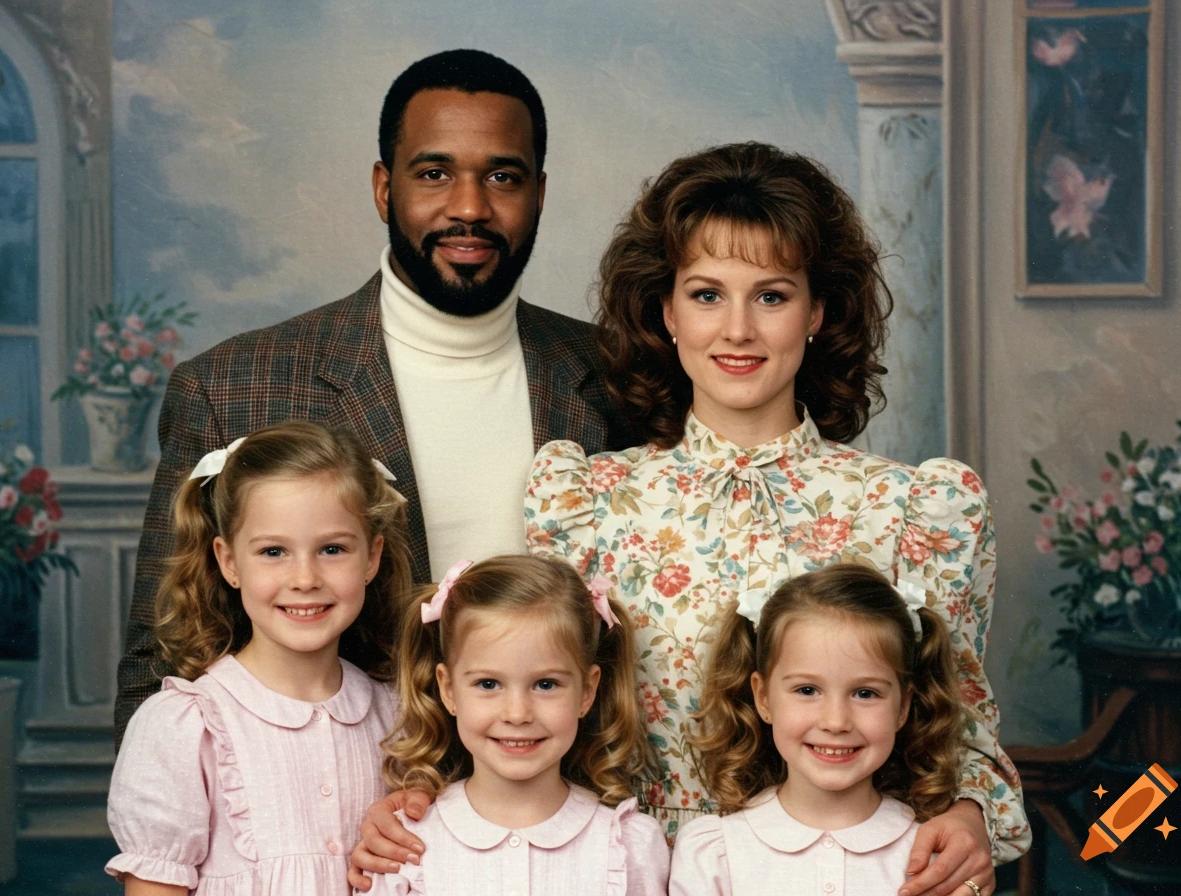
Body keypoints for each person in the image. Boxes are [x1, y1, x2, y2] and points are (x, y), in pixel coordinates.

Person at [354, 144, 1026, 895]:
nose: (737, 329)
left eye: (771, 296)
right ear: (667, 311)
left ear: (818, 312)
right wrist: (422, 800)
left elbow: (961, 724)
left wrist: (969, 812)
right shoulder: (587, 498)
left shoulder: (913, 508)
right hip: (613, 868)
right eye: (708, 295)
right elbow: (528, 685)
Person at [115, 48, 628, 747]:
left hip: (563, 818)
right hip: (325, 825)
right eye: (435, 173)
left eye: (502, 176)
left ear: (539, 193)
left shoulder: (622, 376)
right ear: (385, 189)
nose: (470, 207)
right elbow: (159, 672)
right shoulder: (231, 387)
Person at [105, 422, 411, 894]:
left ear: (371, 557)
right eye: (273, 552)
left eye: (332, 549)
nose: (305, 578)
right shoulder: (188, 724)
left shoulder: (397, 716)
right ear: (229, 562)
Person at [366, 555, 668, 895]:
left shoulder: (628, 846)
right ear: (448, 690)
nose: (517, 713)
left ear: (587, 691)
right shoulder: (403, 845)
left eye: (545, 684)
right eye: (489, 684)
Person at [669, 564, 969, 896]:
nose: (836, 722)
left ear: (902, 707)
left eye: (865, 693)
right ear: (764, 698)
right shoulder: (715, 854)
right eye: (808, 690)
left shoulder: (931, 860)